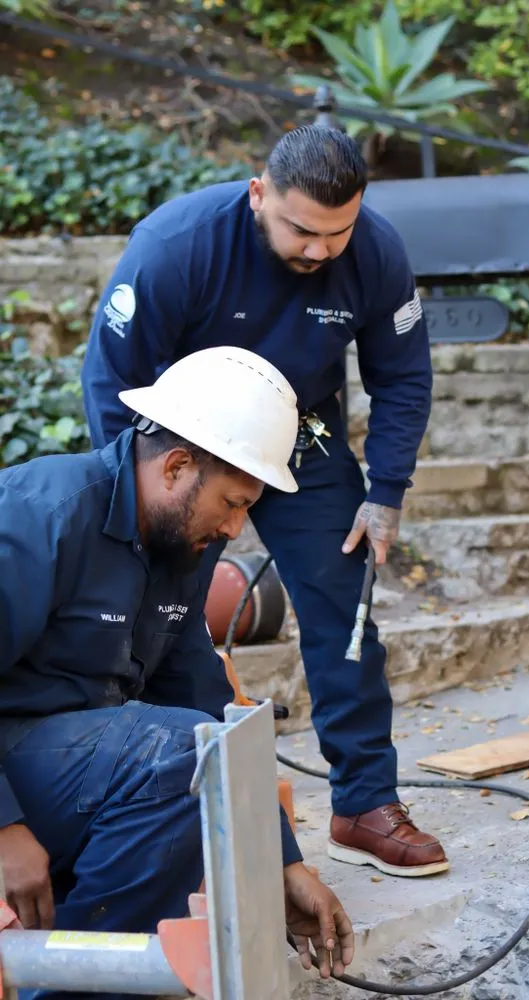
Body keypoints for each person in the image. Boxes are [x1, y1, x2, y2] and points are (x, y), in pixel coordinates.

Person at [82, 124, 448, 878]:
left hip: (303, 433)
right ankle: (175, 799)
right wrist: (136, 499)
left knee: (344, 606)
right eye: (301, 230)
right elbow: (111, 376)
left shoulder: (376, 252)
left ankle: (364, 803)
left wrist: (385, 490)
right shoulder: (176, 245)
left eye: (336, 233)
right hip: (188, 442)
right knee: (163, 609)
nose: (320, 250)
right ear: (259, 195)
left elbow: (403, 375)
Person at [0, 346, 354, 1000]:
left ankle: (78, 981)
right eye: (232, 503)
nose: (236, 527)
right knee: (170, 753)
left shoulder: (176, 546)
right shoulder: (41, 514)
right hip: (14, 774)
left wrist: (282, 862)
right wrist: (6, 830)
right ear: (177, 467)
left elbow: (210, 711)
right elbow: (178, 745)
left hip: (63, 773)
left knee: (191, 746)